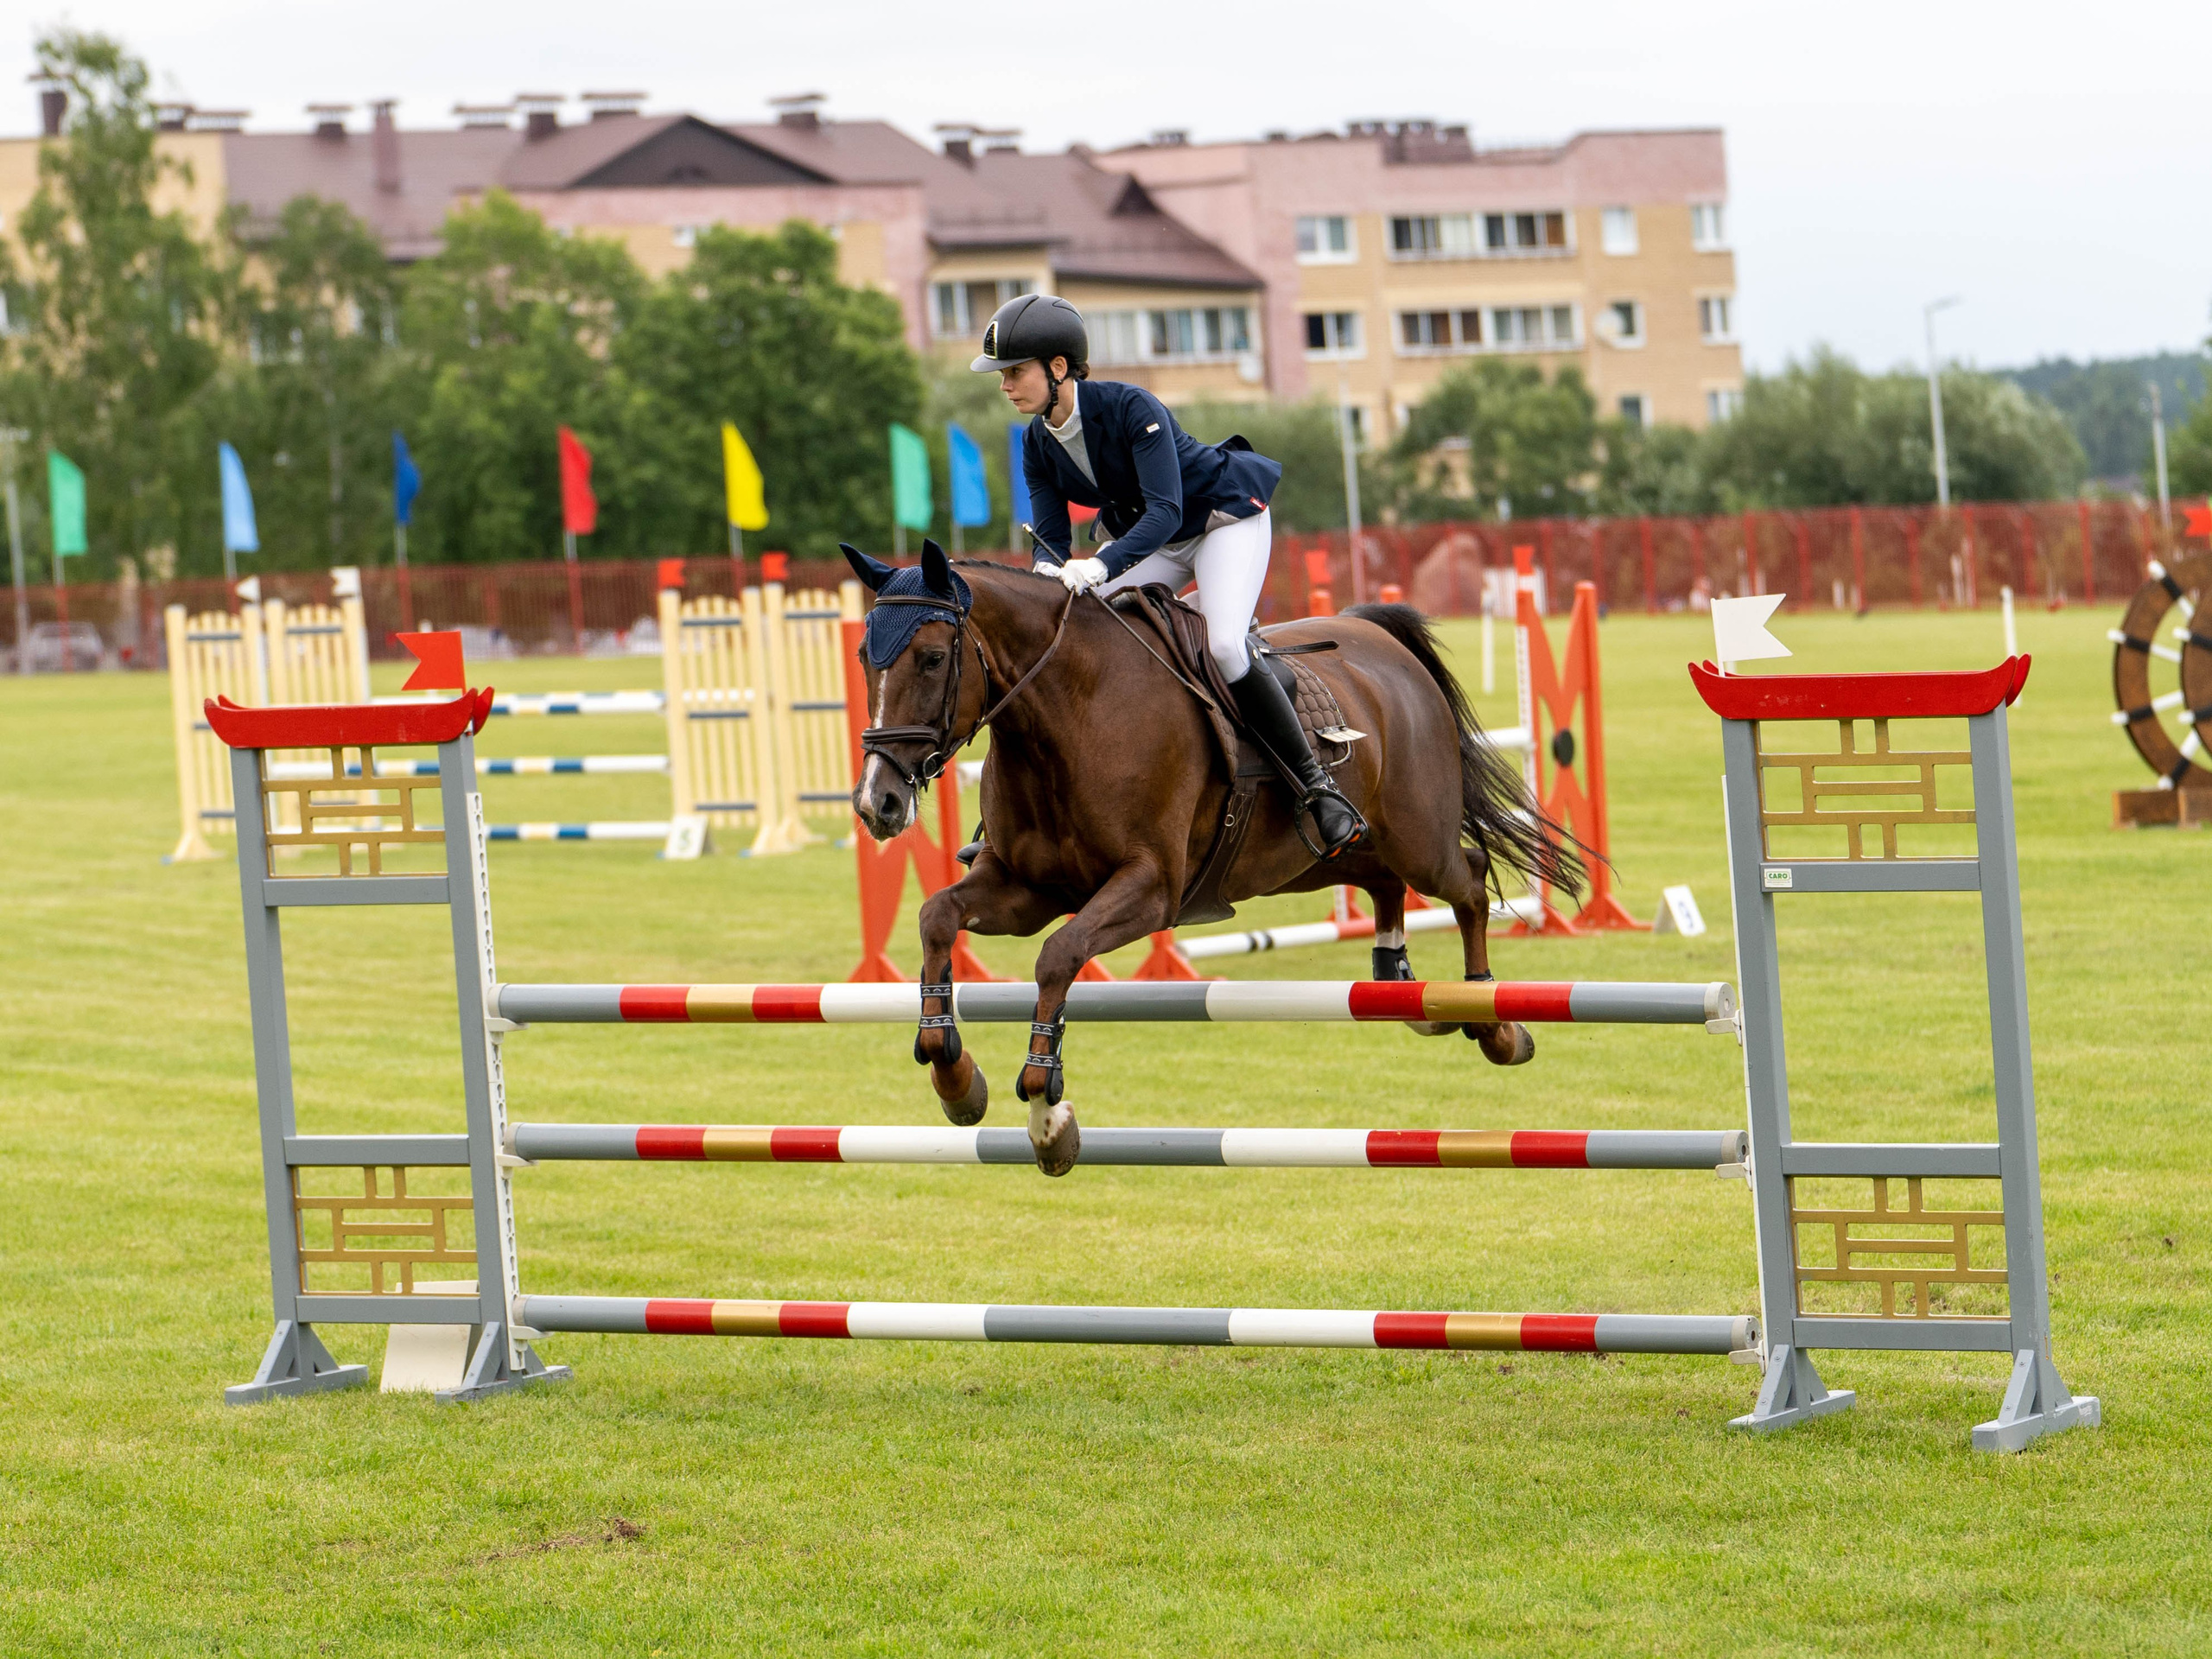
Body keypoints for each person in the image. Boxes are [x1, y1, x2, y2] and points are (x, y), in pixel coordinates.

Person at [974, 292, 1366, 856]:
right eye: (1002, 375)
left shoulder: (1132, 408)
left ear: (1058, 368)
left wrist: (1102, 565)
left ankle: (1318, 790)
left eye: (1015, 371)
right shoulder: (1038, 442)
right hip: (1153, 539)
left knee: (1226, 645)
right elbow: (1053, 540)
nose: (1005, 385)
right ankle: (1014, 815)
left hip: (1220, 520)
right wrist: (1045, 578)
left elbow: (1167, 511)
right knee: (1068, 630)